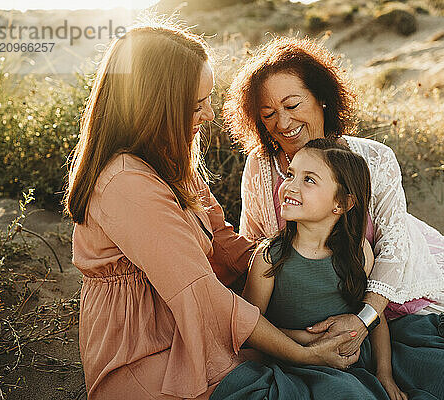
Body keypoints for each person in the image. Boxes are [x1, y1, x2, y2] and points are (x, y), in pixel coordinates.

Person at [224, 36, 444, 400]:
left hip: (392, 272)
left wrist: (363, 318)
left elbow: (394, 251)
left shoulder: (374, 159)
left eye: (292, 104)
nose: (282, 122)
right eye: (268, 114)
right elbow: (252, 244)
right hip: (314, 302)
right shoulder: (260, 167)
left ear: (321, 99)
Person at [64, 24, 364, 400]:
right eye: (195, 105)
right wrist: (302, 350)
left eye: (207, 100)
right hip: (148, 353)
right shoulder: (127, 183)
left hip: (194, 324)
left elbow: (228, 247)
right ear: (154, 106)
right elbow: (201, 292)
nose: (209, 114)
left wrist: (308, 283)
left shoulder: (171, 162)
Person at [212, 138, 444, 400]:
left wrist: (385, 374)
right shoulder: (270, 258)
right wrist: (307, 341)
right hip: (298, 364)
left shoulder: (356, 252)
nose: (289, 186)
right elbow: (252, 329)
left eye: (309, 180)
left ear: (341, 203)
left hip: (362, 352)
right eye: (291, 175)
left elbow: (375, 317)